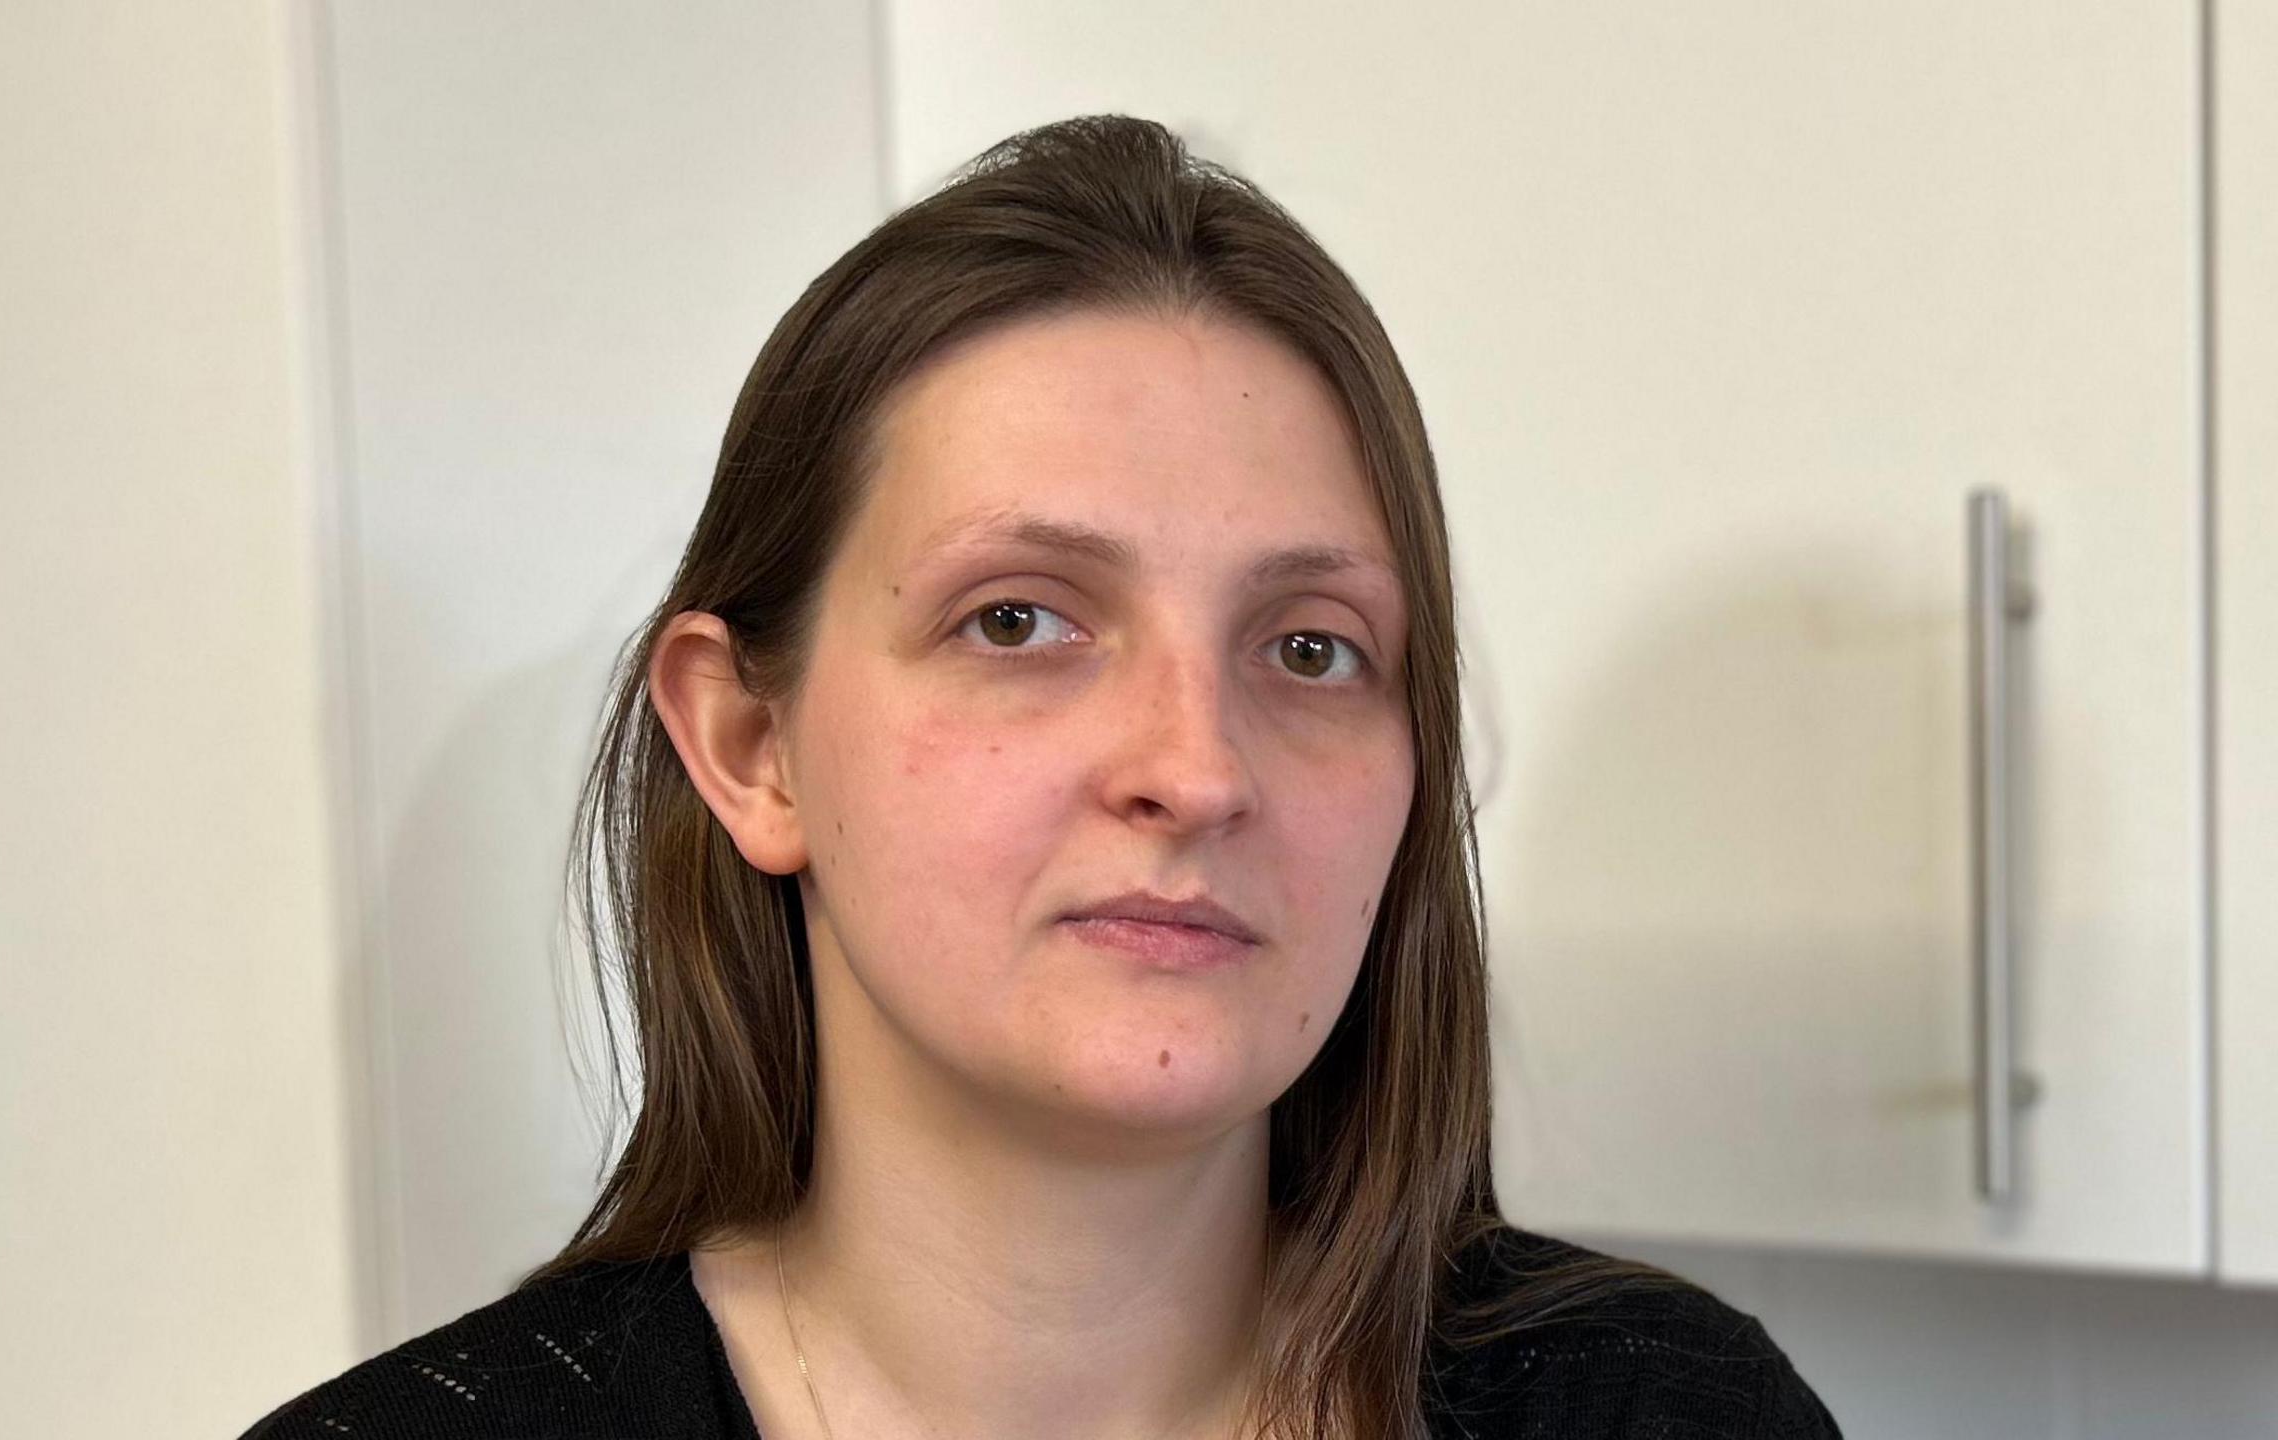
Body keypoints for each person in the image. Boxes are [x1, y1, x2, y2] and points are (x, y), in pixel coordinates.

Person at [242, 114, 1842, 1440]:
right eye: (1019, 619)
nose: (1196, 769)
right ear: (750, 745)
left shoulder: (1671, 1417)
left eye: (1308, 648)